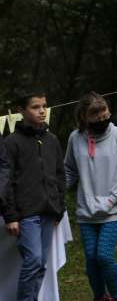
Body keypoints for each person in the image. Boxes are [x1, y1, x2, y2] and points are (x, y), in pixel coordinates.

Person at [65, 92, 117, 301]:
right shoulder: (75, 138)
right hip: (86, 210)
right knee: (91, 259)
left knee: (104, 256)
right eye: (96, 117)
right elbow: (69, 170)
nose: (102, 120)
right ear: (84, 118)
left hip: (113, 209)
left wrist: (112, 198)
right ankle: (100, 296)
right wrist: (54, 191)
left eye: (105, 115)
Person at [1, 89, 65, 301]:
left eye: (44, 106)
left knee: (41, 265)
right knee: (34, 260)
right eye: (35, 107)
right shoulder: (11, 142)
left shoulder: (52, 140)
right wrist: (10, 215)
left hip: (49, 211)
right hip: (26, 213)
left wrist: (59, 207)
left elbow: (59, 175)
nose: (42, 111)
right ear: (22, 111)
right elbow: (5, 181)